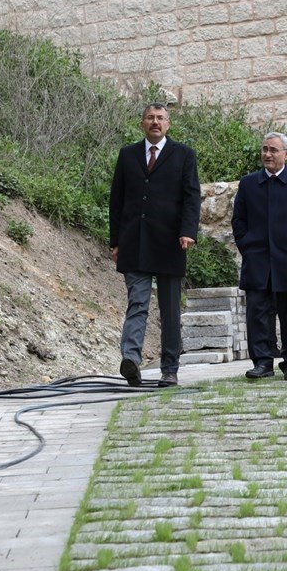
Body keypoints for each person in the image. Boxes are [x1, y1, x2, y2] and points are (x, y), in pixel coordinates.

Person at [109, 103, 201, 388]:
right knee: (137, 302)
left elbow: (191, 197)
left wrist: (187, 231)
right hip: (134, 243)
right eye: (150, 117)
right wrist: (115, 241)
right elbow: (117, 199)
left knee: (170, 309)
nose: (155, 122)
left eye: (160, 118)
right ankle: (131, 360)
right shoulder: (127, 155)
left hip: (171, 243)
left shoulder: (184, 155)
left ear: (168, 124)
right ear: (142, 123)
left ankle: (169, 368)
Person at [232, 133, 287, 381]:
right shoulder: (249, 183)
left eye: (273, 150)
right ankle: (262, 362)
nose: (267, 154)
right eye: (264, 149)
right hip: (257, 259)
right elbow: (239, 220)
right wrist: (247, 246)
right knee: (257, 314)